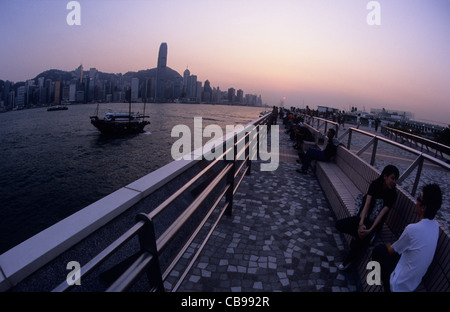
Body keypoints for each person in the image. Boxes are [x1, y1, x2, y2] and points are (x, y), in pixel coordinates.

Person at [372, 184, 442, 292]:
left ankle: (377, 282)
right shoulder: (435, 226)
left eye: (418, 199)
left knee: (379, 250)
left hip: (397, 286)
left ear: (423, 208)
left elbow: (391, 251)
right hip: (412, 285)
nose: (416, 202)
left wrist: (389, 244)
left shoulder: (412, 229)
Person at [336, 165, 399, 270]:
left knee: (361, 237)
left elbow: (381, 215)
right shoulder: (375, 185)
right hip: (363, 217)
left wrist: (370, 230)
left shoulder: (393, 194)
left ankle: (348, 260)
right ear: (385, 176)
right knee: (339, 225)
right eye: (392, 178)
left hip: (375, 223)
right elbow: (367, 204)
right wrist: (361, 223)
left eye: (396, 179)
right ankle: (361, 234)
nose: (394, 182)